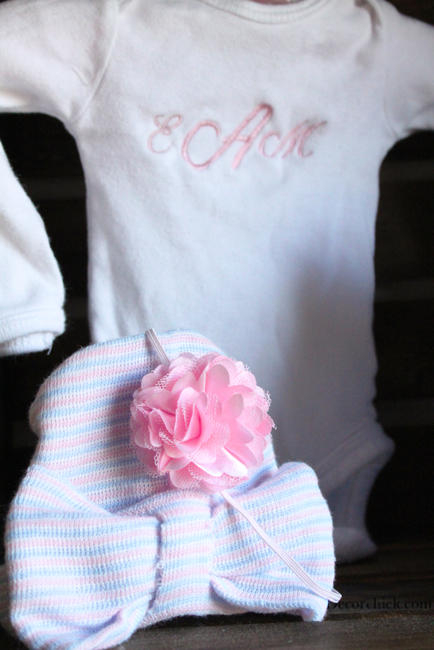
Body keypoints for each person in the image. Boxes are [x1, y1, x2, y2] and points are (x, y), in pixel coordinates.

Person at [0, 0, 433, 562]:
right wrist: (18, 288)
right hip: (154, 461)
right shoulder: (114, 27)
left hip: (328, 445)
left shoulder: (372, 47)